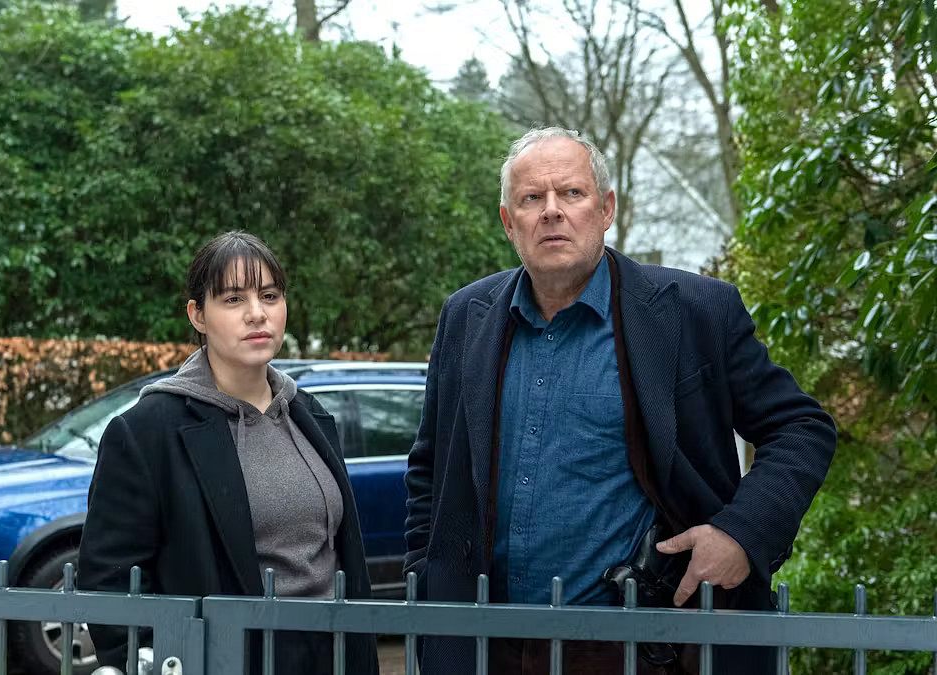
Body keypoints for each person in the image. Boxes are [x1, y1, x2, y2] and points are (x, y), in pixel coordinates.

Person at [403, 127, 836, 674]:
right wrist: (427, 577)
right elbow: (431, 469)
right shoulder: (467, 316)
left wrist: (740, 534)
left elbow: (801, 428)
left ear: (606, 209)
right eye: (532, 198)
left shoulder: (695, 311)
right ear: (509, 222)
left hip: (644, 648)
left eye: (572, 193)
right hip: (490, 647)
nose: (552, 211)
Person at [78, 231, 379, 674]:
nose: (257, 313)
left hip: (332, 655)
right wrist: (159, 661)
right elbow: (108, 579)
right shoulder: (148, 430)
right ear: (198, 315)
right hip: (227, 659)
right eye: (234, 299)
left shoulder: (310, 414)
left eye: (270, 296)